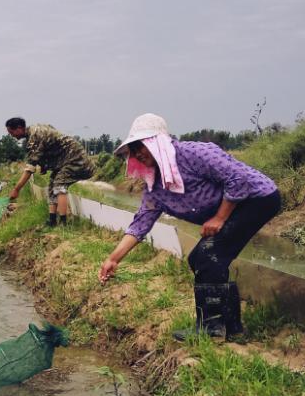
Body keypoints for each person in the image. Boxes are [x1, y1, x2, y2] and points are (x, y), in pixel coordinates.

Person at [97, 113, 280, 340]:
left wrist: (220, 218)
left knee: (208, 255)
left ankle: (212, 329)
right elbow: (141, 223)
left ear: (157, 142)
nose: (138, 154)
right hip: (237, 206)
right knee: (204, 258)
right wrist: (113, 259)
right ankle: (232, 328)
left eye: (140, 146)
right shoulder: (156, 187)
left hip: (257, 199)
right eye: (133, 151)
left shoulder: (194, 153)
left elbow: (238, 179)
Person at [4, 117, 96, 227]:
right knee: (52, 184)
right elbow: (49, 145)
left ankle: (63, 223)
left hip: (75, 158)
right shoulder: (34, 130)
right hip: (65, 159)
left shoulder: (34, 137)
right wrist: (44, 165)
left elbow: (30, 169)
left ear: (19, 128)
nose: (12, 135)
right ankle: (52, 221)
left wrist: (16, 189)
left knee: (59, 184)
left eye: (11, 132)